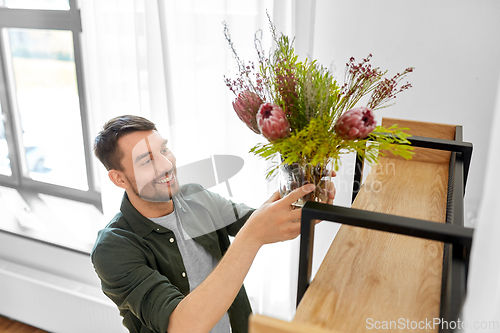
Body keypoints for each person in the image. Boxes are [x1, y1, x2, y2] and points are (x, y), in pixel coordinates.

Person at [91, 115, 335, 333]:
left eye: (164, 150)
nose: (167, 166)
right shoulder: (113, 248)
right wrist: (251, 238)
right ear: (118, 178)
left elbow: (267, 223)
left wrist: (308, 194)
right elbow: (181, 327)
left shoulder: (195, 196)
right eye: (147, 161)